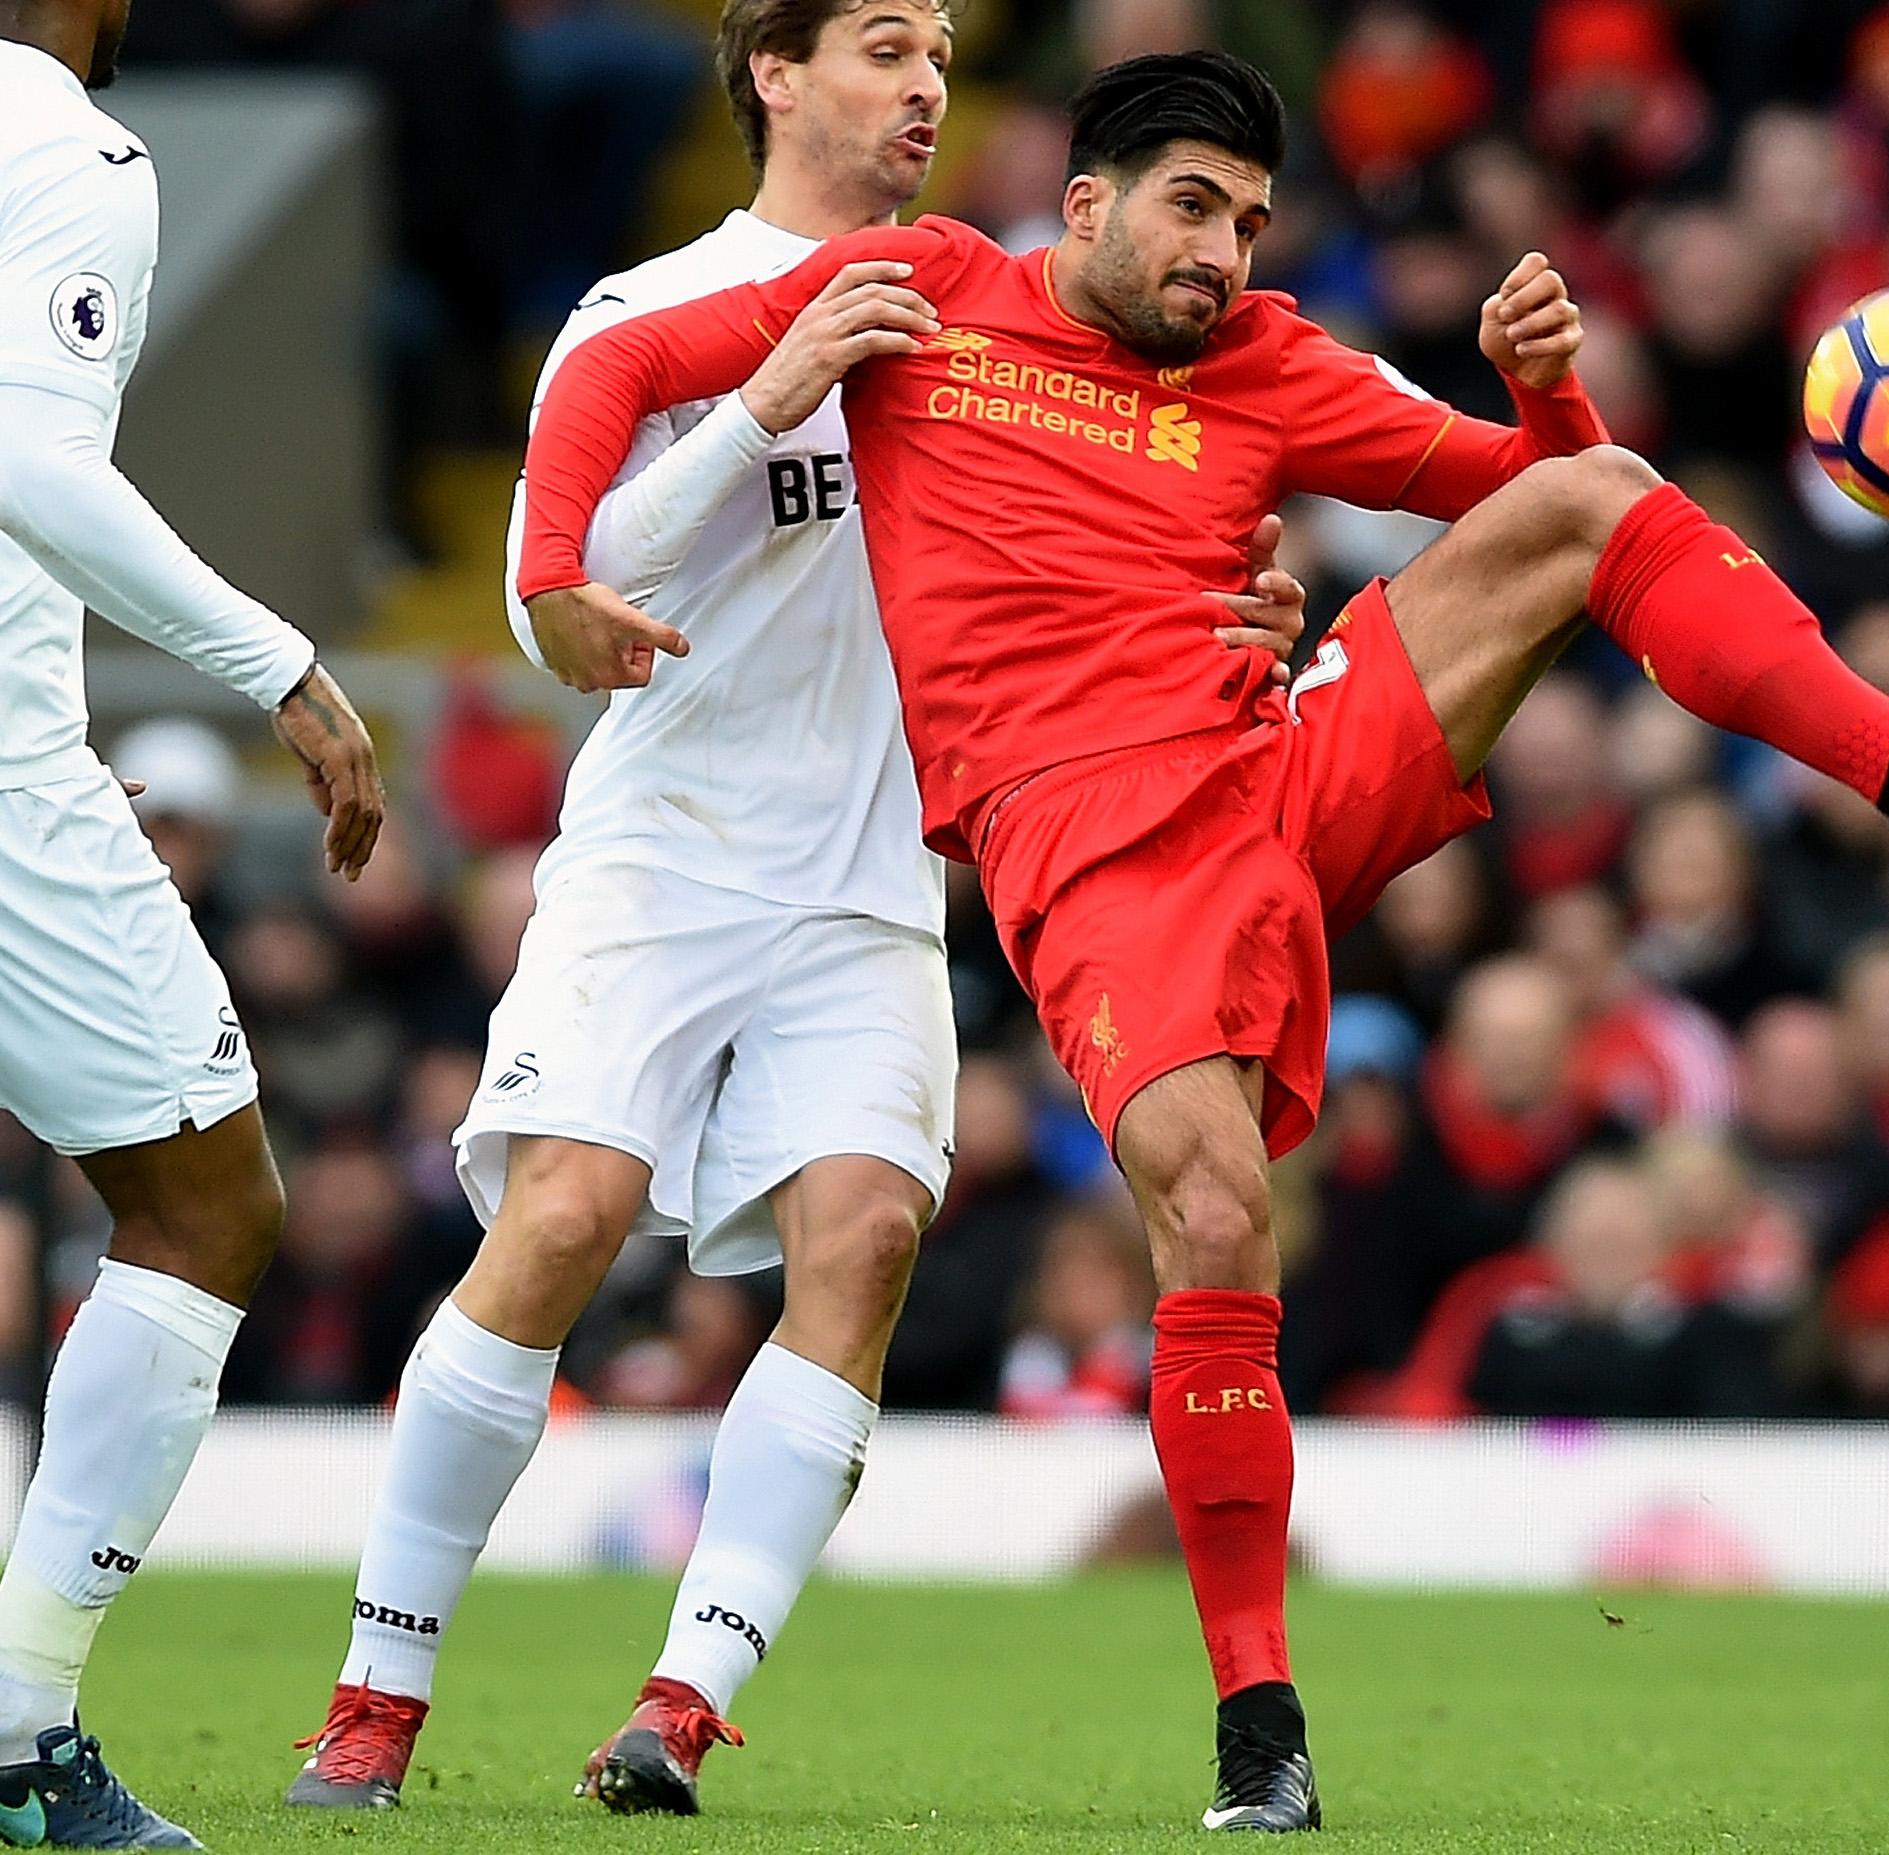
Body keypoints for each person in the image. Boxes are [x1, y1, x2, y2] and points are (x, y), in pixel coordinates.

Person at [513, 51, 1889, 1831]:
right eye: (1189, 209)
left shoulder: (1271, 364)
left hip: (1280, 764)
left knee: (1599, 500)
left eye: (1248, 220)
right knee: (1214, 1210)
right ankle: (1258, 1735)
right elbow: (616, 362)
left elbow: (1544, 508)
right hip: (1087, 842)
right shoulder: (930, 305)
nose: (1221, 253)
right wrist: (548, 576)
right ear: (1086, 207)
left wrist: (1546, 394)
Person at [282, 0, 1302, 1821]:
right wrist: (762, 401)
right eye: (884, 46)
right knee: (567, 1213)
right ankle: (374, 1697)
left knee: (866, 1242)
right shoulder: (647, 313)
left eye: (937, 57)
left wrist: (1239, 613)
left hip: (874, 874)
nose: (923, 87)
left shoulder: (1005, 308)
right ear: (771, 71)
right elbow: (560, 613)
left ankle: (679, 1707)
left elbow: (1137, 539)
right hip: (666, 847)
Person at [0, 0, 385, 1840]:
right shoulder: (68, 144)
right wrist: (283, 669)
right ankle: (15, 1729)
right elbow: (30, 460)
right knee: (206, 1202)